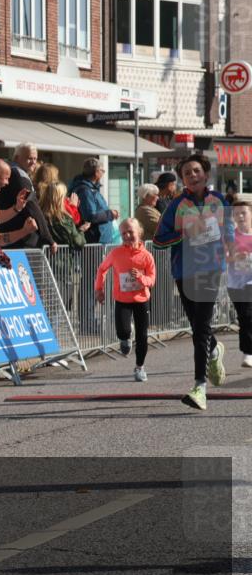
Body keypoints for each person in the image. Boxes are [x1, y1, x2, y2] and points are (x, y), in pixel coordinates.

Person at [154, 153, 233, 410]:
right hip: (183, 272)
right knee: (196, 325)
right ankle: (214, 351)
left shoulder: (219, 201)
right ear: (183, 179)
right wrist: (184, 234)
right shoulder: (176, 205)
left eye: (196, 170)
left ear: (206, 174)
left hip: (210, 270)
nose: (192, 175)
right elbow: (158, 240)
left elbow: (230, 233)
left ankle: (200, 387)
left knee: (201, 328)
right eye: (187, 173)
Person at [95, 218, 157, 382]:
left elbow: (152, 279)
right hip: (122, 300)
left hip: (141, 300)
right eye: (123, 233)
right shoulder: (116, 253)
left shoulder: (146, 256)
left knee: (142, 336)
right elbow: (102, 269)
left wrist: (142, 278)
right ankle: (125, 338)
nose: (127, 236)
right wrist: (99, 289)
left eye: (131, 232)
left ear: (139, 233)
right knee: (122, 331)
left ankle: (139, 367)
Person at [40, 180, 86, 318]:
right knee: (56, 307)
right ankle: (52, 338)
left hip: (45, 263)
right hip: (61, 266)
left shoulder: (41, 214)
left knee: (48, 307)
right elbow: (78, 242)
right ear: (59, 197)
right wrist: (81, 231)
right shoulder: (63, 218)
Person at [0, 151, 56, 251]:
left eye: (35, 159)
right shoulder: (19, 175)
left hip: (12, 238)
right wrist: (47, 237)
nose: (33, 162)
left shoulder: (19, 174)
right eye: (29, 158)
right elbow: (32, 206)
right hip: (20, 242)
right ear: (17, 158)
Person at [227, 200, 252, 368]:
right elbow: (222, 257)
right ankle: (248, 351)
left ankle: (248, 353)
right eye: (237, 214)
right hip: (235, 283)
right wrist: (235, 257)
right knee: (244, 318)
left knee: (249, 315)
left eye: (243, 213)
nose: (240, 216)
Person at [71, 158, 119, 245]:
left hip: (101, 239)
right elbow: (90, 216)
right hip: (96, 240)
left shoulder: (91, 189)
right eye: (103, 170)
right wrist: (110, 214)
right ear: (96, 172)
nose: (103, 173)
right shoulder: (86, 191)